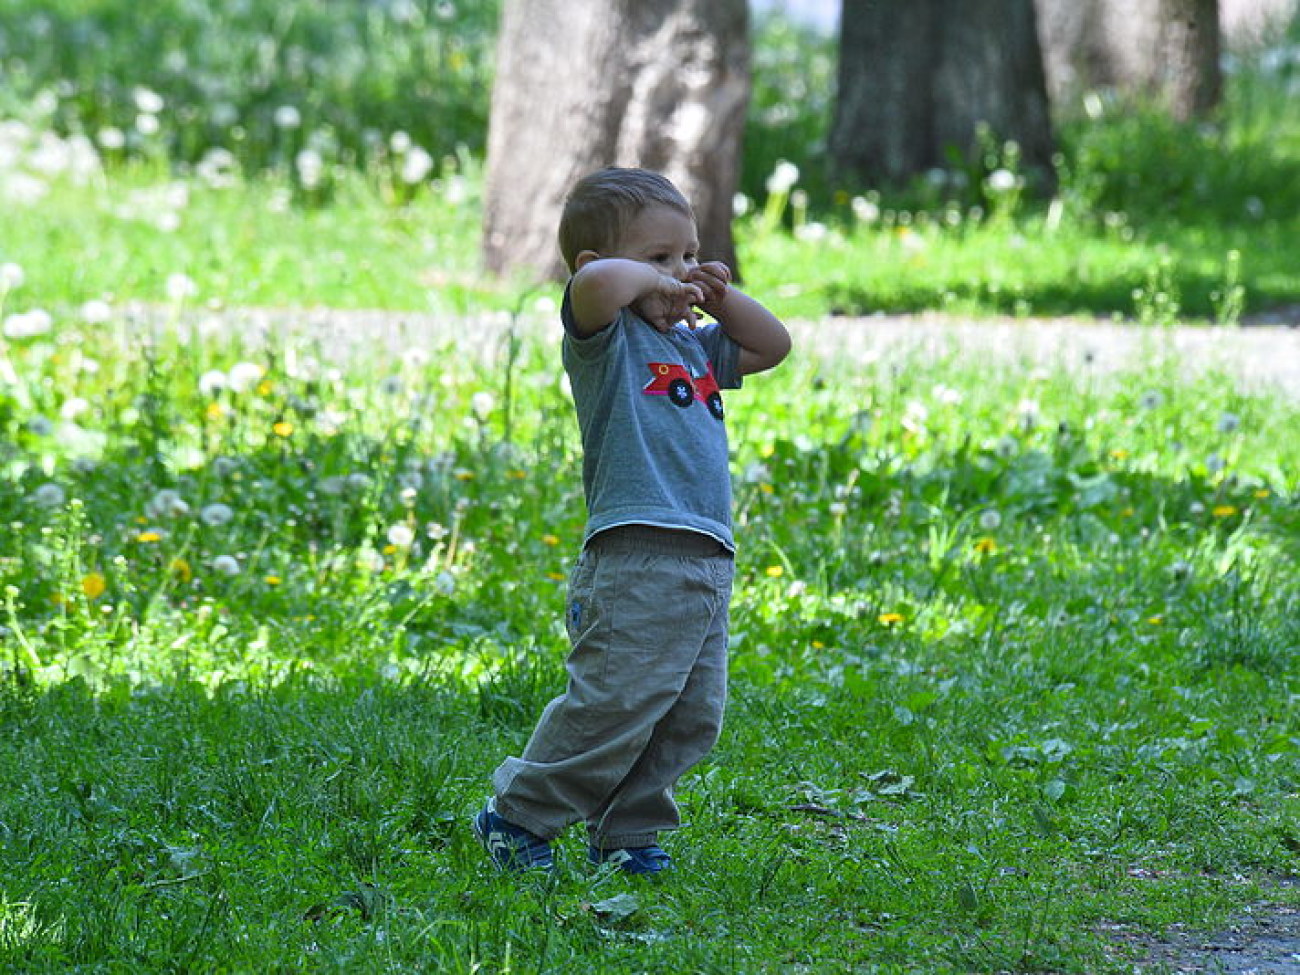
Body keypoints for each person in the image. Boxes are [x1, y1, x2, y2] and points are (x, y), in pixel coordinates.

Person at [473, 167, 791, 874]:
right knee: (616, 699)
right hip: (636, 553)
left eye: (687, 254)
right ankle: (518, 813)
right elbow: (592, 288)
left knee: (687, 713)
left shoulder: (694, 345)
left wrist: (717, 293)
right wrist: (644, 284)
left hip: (706, 555)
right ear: (608, 264)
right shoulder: (606, 339)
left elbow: (774, 345)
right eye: (659, 258)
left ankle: (628, 832)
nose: (677, 272)